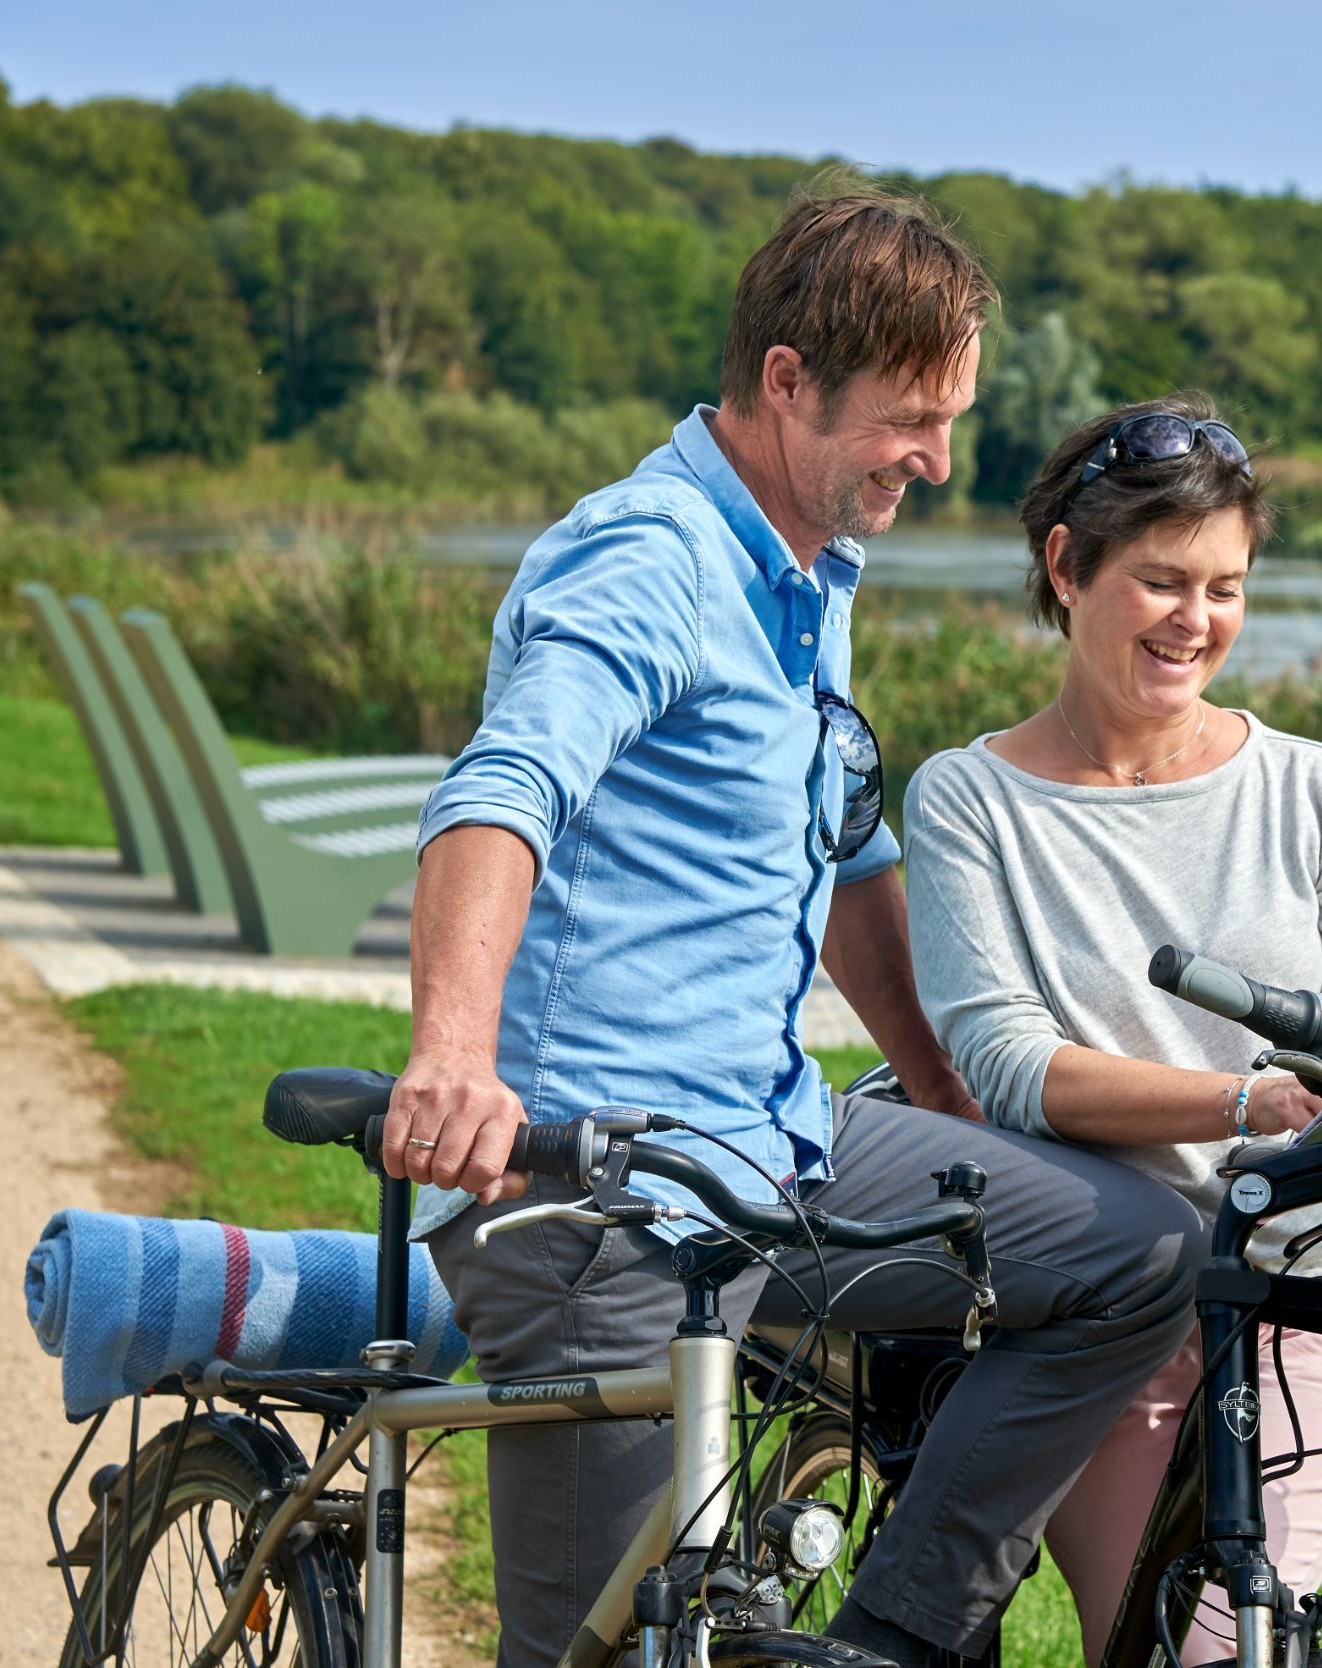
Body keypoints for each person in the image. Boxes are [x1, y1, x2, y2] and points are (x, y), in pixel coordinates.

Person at [385, 186, 1202, 1668]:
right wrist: (453, 1054)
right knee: (608, 1654)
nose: (935, 462)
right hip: (596, 1195)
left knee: (1137, 1254)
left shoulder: (807, 564)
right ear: (785, 382)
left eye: (949, 422)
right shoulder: (652, 558)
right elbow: (500, 794)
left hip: (771, 1151)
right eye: (910, 420)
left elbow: (845, 843)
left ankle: (892, 1636)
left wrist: (940, 1080)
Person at [899, 393, 1322, 1666]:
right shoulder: (969, 800)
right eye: (1161, 581)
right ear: (1066, 567)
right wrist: (1242, 1102)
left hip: (1318, 1292)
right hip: (1107, 1308)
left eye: (1225, 588)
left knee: (1215, 1649)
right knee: (1143, 1644)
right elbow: (1007, 1065)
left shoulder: (1313, 789)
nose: (1196, 620)